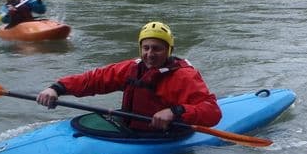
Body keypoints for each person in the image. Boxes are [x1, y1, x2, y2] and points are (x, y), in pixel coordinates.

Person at [36, 21, 222, 133]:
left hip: (164, 134)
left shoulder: (184, 76)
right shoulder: (132, 68)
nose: (150, 54)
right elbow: (94, 80)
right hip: (131, 129)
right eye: (146, 47)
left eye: (157, 48)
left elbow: (212, 111)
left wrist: (175, 112)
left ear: (169, 50)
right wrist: (57, 88)